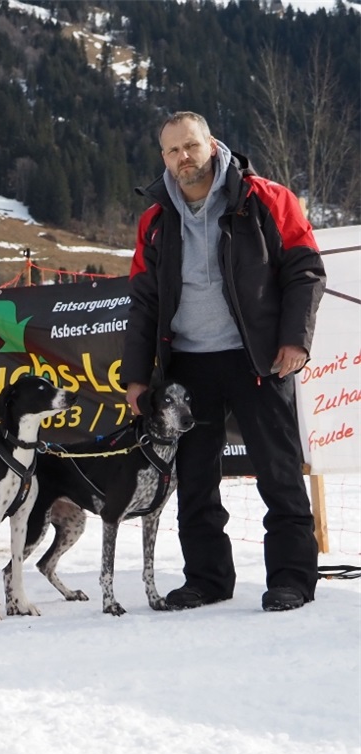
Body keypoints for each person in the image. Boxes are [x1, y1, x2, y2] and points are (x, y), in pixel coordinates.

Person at [122, 111, 325, 613]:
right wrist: (135, 378)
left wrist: (295, 339)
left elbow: (304, 270)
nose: (183, 157)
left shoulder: (266, 198)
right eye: (172, 150)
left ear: (212, 144)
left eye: (191, 146)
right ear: (163, 157)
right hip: (187, 366)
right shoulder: (155, 220)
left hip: (258, 359)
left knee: (278, 472)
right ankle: (207, 579)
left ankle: (291, 579)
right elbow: (144, 301)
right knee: (194, 480)